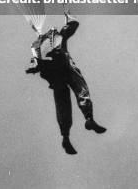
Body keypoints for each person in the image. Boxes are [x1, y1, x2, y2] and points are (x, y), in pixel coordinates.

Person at [26, 13, 106, 155]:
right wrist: (35, 66)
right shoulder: (40, 42)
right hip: (55, 71)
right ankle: (66, 137)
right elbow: (36, 59)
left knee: (79, 90)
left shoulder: (57, 38)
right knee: (66, 100)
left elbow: (73, 25)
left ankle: (88, 119)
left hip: (62, 68)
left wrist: (67, 14)